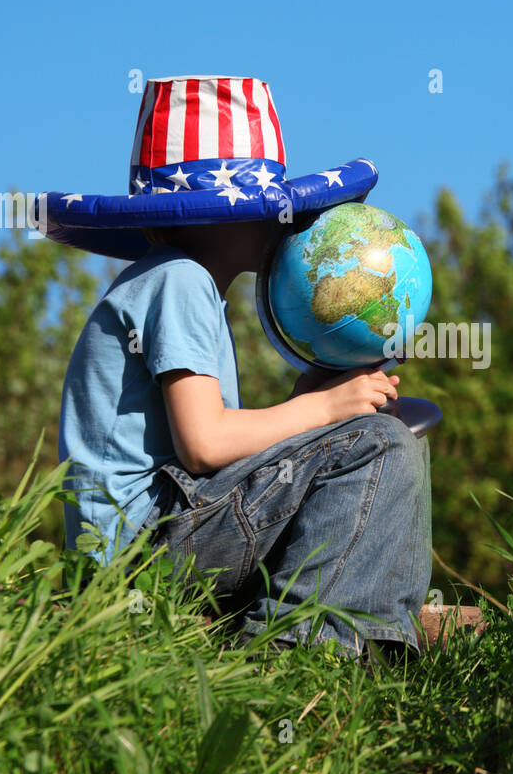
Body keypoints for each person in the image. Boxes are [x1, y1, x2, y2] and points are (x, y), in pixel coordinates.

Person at [37, 75, 432, 661]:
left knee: (380, 436)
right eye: (264, 210)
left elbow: (205, 451)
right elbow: (203, 444)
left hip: (147, 541)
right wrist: (321, 409)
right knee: (379, 445)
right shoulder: (181, 280)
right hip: (146, 550)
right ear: (206, 217)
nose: (285, 224)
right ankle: (305, 650)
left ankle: (353, 634)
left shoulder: (173, 282)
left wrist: (314, 418)